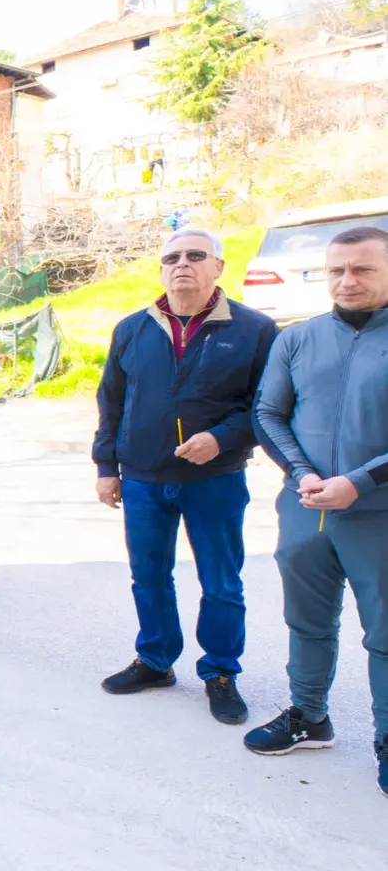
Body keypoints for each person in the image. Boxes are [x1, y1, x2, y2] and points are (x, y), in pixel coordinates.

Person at [91, 229, 278, 725]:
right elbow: (111, 400)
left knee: (220, 581)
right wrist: (106, 466)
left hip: (214, 478)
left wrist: (223, 438)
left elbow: (266, 406)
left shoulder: (254, 329)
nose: (183, 264)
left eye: (196, 255)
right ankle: (155, 660)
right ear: (161, 269)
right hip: (143, 479)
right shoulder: (132, 329)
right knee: (149, 576)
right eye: (171, 257)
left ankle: (220, 672)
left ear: (218, 265)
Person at [245, 225, 388, 798]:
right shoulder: (296, 339)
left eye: (363, 269)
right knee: (306, 621)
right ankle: (308, 716)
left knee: (384, 633)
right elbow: (267, 413)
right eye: (336, 270)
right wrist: (303, 475)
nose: (346, 280)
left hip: (377, 511)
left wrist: (357, 482)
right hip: (305, 509)